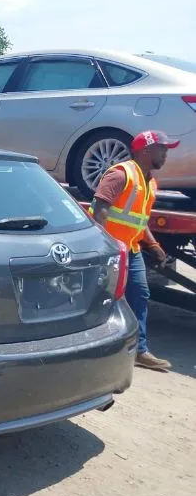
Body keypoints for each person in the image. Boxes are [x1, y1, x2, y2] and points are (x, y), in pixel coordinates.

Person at [89, 130, 180, 371]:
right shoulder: (121, 174)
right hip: (111, 249)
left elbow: (140, 220)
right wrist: (104, 247)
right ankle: (94, 348)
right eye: (163, 148)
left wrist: (154, 245)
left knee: (140, 294)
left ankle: (139, 351)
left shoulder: (150, 181)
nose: (166, 153)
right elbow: (100, 207)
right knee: (103, 298)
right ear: (146, 150)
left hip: (131, 248)